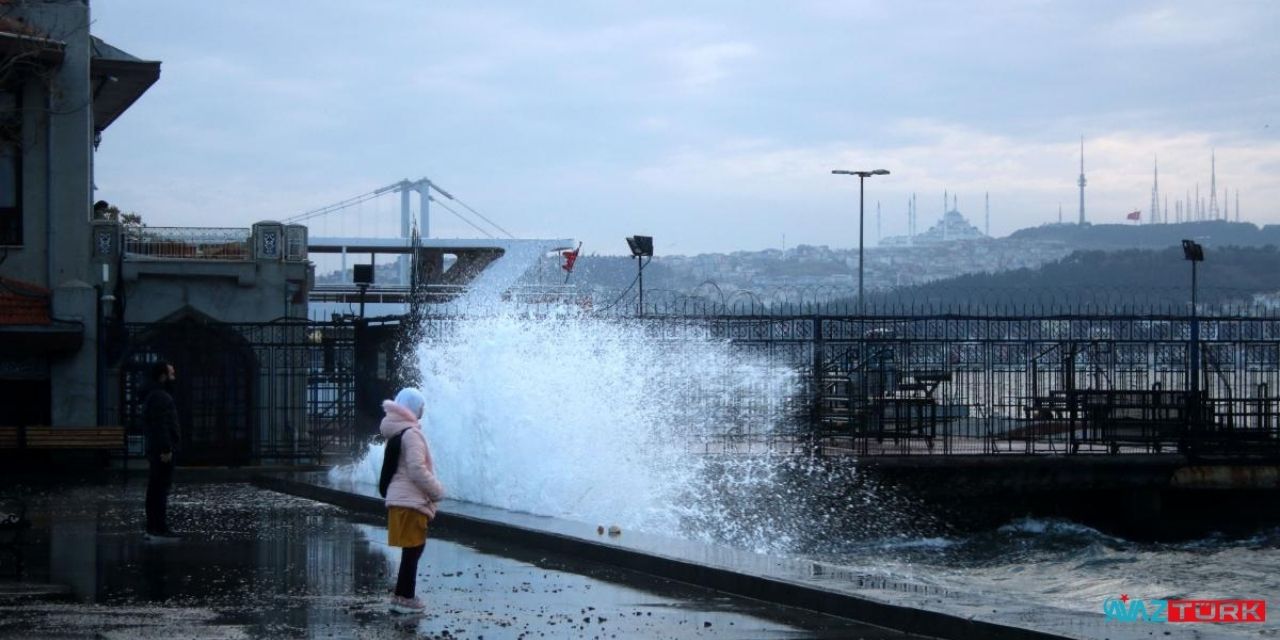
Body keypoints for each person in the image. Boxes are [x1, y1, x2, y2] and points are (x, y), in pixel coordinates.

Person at [380, 388, 445, 614]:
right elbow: (417, 469)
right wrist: (437, 490)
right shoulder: (411, 434)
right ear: (415, 408)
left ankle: (401, 594)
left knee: (411, 549)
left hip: (399, 499)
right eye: (421, 408)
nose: (423, 412)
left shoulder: (397, 433)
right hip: (411, 501)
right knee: (414, 550)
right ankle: (406, 597)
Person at [143, 361, 181, 541]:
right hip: (162, 450)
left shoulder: (155, 394)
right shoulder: (160, 396)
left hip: (157, 448)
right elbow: (161, 425)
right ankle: (159, 527)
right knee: (160, 489)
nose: (174, 377)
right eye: (171, 374)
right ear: (163, 376)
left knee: (156, 488)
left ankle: (154, 527)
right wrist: (166, 448)